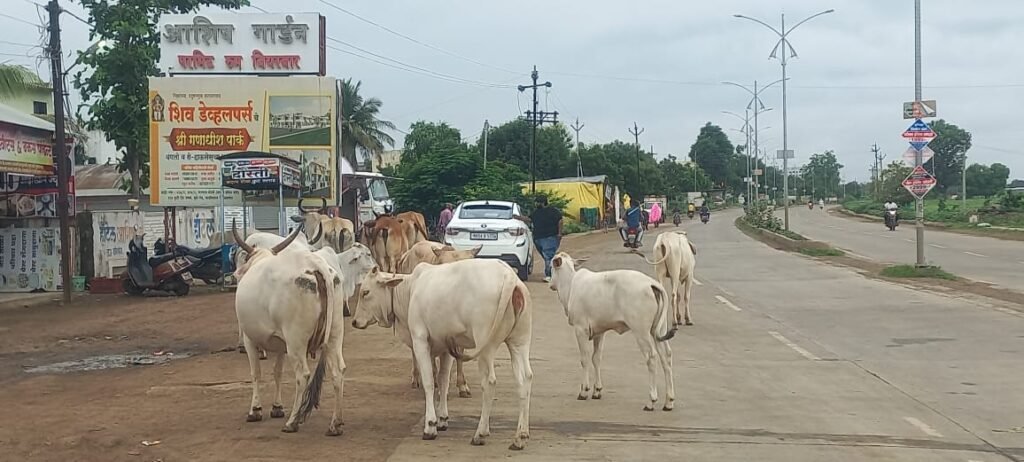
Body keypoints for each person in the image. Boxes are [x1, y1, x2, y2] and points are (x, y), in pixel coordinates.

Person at [513, 196, 563, 282]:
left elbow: (560, 221)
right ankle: (555, 272)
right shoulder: (537, 212)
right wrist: (518, 217)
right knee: (547, 256)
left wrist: (559, 233)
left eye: (537, 202)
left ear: (543, 202)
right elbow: (529, 219)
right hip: (538, 238)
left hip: (550, 237)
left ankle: (549, 275)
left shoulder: (553, 211)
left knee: (548, 256)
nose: (536, 204)